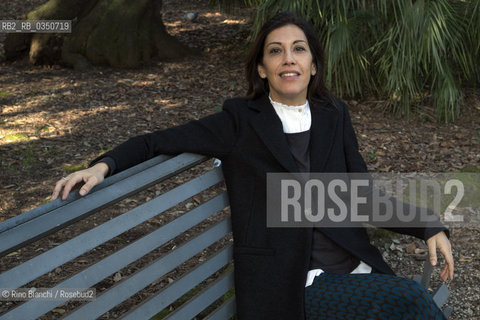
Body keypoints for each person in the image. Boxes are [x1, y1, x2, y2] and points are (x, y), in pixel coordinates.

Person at [52, 12, 454, 320]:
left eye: (299, 48)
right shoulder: (240, 122)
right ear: (262, 68)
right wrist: (103, 166)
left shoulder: (334, 115)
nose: (288, 58)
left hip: (352, 264)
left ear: (313, 65)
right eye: (275, 50)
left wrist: (427, 224)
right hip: (292, 284)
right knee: (410, 299)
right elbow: (156, 140)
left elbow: (362, 197)